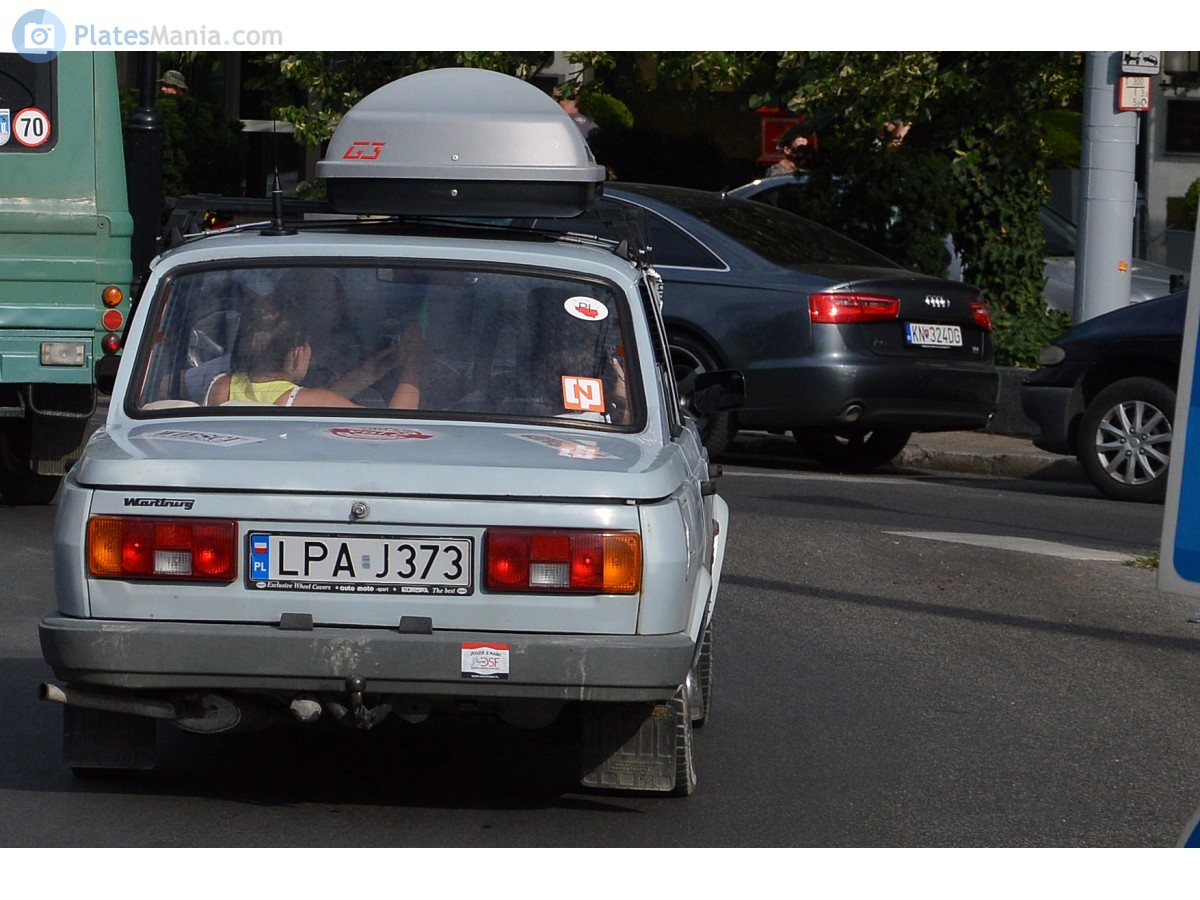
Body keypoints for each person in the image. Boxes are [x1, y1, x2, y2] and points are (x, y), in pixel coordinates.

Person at [205, 287, 419, 409]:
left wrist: (367, 373)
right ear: (298, 354)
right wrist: (414, 374)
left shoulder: (223, 387)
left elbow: (305, 399)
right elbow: (391, 430)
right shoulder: (313, 401)